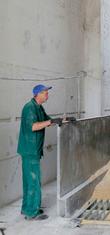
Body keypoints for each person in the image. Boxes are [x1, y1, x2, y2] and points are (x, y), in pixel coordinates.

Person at [17, 85, 62, 220]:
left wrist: (61, 120)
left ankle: (27, 208)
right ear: (38, 94)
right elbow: (33, 126)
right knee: (33, 181)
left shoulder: (39, 107)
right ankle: (32, 213)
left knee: (30, 181)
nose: (47, 95)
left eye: (47, 93)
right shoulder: (29, 108)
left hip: (33, 149)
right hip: (29, 150)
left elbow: (47, 121)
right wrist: (50, 121)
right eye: (45, 93)